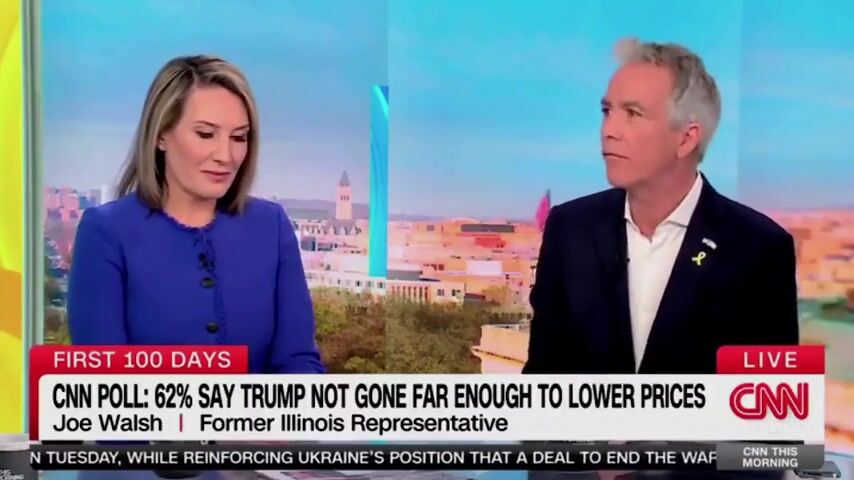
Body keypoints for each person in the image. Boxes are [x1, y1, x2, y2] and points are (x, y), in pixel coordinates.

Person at [523, 39, 799, 375]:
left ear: (686, 138)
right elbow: (543, 379)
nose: (609, 130)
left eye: (633, 113)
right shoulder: (569, 229)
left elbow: (769, 398)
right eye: (607, 111)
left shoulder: (759, 249)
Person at [68, 55, 325, 374]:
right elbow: (103, 383)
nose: (226, 156)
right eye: (205, 134)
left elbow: (298, 360)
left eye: (239, 137)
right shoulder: (106, 233)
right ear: (161, 135)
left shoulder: (271, 227)